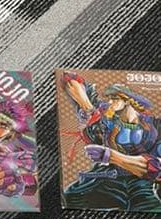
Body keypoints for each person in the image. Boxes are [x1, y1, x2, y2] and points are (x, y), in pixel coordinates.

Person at [61, 72, 161, 210]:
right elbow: (73, 84)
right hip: (109, 178)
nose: (110, 102)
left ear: (127, 101)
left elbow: (154, 164)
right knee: (71, 197)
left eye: (114, 99)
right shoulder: (107, 120)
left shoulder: (153, 125)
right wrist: (87, 106)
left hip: (141, 182)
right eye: (109, 99)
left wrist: (110, 156)